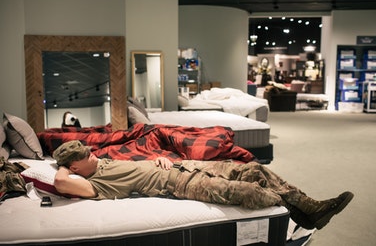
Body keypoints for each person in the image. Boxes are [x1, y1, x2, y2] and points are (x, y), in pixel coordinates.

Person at [53, 140, 354, 230]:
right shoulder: (92, 183)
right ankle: (302, 213)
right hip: (178, 184)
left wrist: (157, 157)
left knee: (253, 170)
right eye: (86, 156)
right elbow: (61, 184)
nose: (94, 154)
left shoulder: (100, 163)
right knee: (249, 191)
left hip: (183, 166)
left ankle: (310, 207)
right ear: (75, 166)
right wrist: (64, 167)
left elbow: (134, 162)